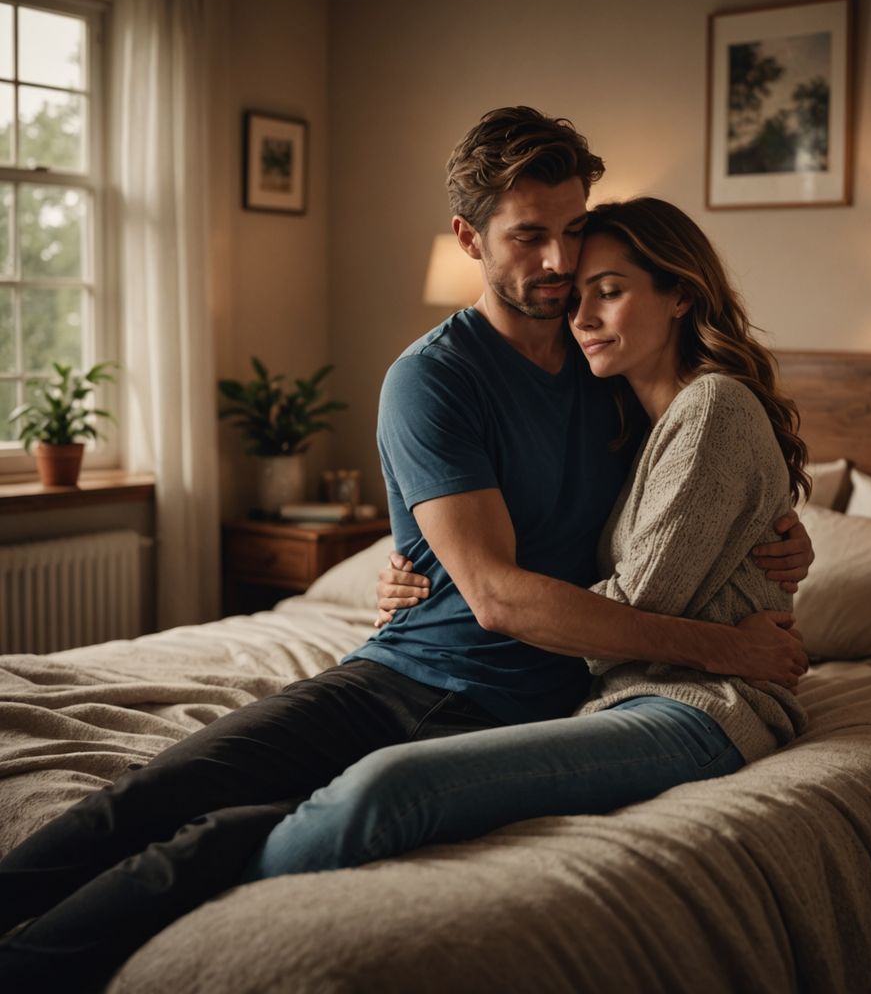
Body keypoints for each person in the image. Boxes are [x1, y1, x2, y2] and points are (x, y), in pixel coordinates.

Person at [0, 108, 810, 989]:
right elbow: (494, 589)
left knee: (229, 833)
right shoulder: (435, 377)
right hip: (395, 668)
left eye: (573, 234)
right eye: (527, 236)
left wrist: (782, 527)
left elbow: (697, 479)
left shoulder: (608, 362)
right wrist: (730, 645)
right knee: (154, 792)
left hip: (514, 696)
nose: (558, 265)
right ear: (468, 237)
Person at [243, 195, 811, 880]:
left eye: (610, 292)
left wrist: (489, 596)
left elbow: (634, 608)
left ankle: (229, 894)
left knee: (382, 792)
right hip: (623, 700)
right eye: (578, 296)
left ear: (681, 295)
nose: (582, 318)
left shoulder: (711, 408)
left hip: (702, 710)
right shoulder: (627, 417)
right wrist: (451, 581)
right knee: (325, 783)